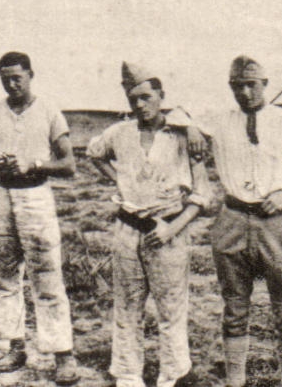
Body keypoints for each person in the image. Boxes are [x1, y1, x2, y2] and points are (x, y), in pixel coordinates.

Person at [203, 56, 282, 387]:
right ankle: (235, 381)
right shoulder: (219, 121)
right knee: (234, 310)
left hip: (276, 224)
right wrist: (186, 128)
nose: (245, 93)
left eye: (251, 85)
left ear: (266, 84)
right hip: (232, 221)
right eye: (237, 86)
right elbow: (177, 117)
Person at [87, 61, 211, 387]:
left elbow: (202, 196)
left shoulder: (183, 137)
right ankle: (128, 375)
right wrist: (119, 180)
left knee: (171, 308)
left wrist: (172, 228)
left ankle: (173, 374)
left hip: (168, 231)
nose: (140, 105)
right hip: (128, 230)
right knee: (127, 306)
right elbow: (94, 153)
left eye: (146, 97)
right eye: (133, 99)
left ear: (161, 95)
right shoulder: (120, 133)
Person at [0, 52, 81, 386]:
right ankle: (15, 346)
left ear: (31, 75)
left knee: (46, 276)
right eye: (5, 79)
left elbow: (69, 165)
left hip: (34, 198)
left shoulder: (48, 111)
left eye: (17, 77)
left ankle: (62, 353)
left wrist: (34, 164)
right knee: (4, 275)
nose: (12, 84)